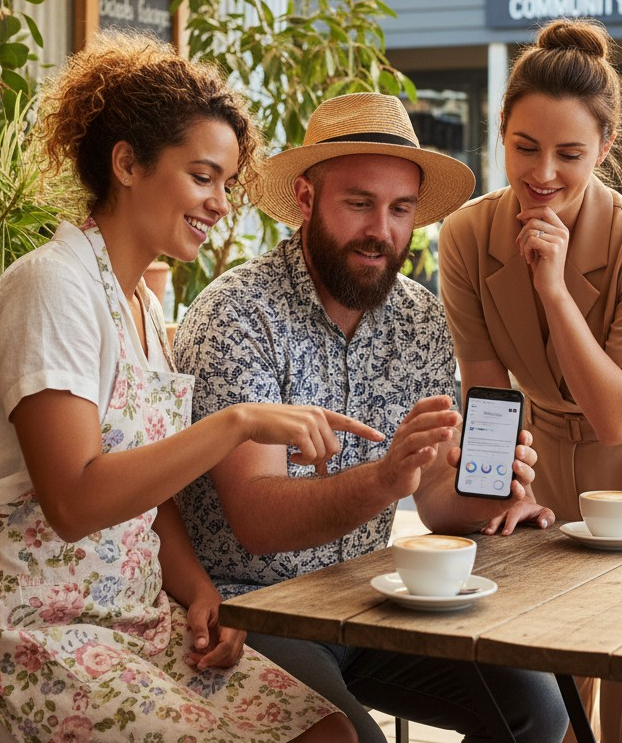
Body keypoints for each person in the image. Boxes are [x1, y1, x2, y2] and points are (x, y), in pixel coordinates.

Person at [0, 31, 381, 743]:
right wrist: (234, 424)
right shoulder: (53, 288)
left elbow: (147, 494)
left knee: (327, 733)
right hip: (23, 626)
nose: (220, 203)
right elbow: (76, 500)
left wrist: (200, 594)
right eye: (203, 177)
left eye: (228, 184)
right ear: (128, 163)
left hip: (134, 617)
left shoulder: (142, 304)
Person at [175, 92, 569, 743]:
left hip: (371, 597)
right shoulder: (236, 317)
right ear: (305, 199)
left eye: (401, 209)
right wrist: (386, 481)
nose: (381, 230)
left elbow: (439, 504)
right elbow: (257, 522)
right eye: (359, 203)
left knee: (538, 711)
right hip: (253, 610)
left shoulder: (419, 319)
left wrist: (488, 488)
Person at [437, 19, 622, 743]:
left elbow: (621, 414)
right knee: (548, 715)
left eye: (569, 154)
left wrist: (555, 290)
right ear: (500, 133)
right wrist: (504, 484)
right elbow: (486, 387)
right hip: (546, 483)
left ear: (603, 147)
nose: (543, 174)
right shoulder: (467, 235)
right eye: (524, 148)